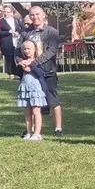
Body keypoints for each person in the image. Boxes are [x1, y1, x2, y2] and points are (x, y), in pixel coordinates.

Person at [21, 7, 63, 137]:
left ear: (43, 15)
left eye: (37, 14)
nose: (35, 17)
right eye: (32, 15)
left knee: (53, 100)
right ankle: (32, 129)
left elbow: (51, 51)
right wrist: (21, 62)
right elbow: (18, 50)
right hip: (31, 74)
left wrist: (34, 63)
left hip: (48, 71)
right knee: (32, 101)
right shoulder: (26, 33)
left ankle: (58, 128)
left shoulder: (51, 32)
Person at [14, 39, 48, 141]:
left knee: (36, 110)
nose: (27, 51)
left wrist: (32, 65)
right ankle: (29, 132)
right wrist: (20, 65)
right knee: (27, 112)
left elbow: (41, 74)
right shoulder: (22, 61)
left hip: (35, 89)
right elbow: (16, 72)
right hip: (25, 88)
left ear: (34, 49)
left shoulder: (38, 61)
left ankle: (37, 133)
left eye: (29, 49)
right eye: (25, 49)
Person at [0, 5, 21, 76]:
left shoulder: (16, 20)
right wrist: (8, 32)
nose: (6, 14)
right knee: (9, 58)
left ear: (11, 13)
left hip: (16, 41)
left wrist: (18, 32)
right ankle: (10, 72)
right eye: (4, 12)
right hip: (7, 42)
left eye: (8, 12)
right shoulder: (1, 21)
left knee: (17, 56)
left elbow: (22, 28)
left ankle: (18, 72)